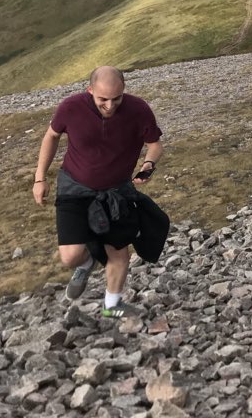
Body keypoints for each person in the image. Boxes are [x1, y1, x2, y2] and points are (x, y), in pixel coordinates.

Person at [32, 66, 163, 318]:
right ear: (90, 90)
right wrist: (40, 178)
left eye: (117, 98)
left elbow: (155, 145)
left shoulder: (139, 110)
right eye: (103, 99)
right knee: (70, 256)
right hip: (74, 188)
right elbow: (51, 136)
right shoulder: (70, 107)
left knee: (119, 251)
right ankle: (86, 262)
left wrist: (148, 165)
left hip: (116, 192)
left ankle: (112, 305)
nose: (110, 105)